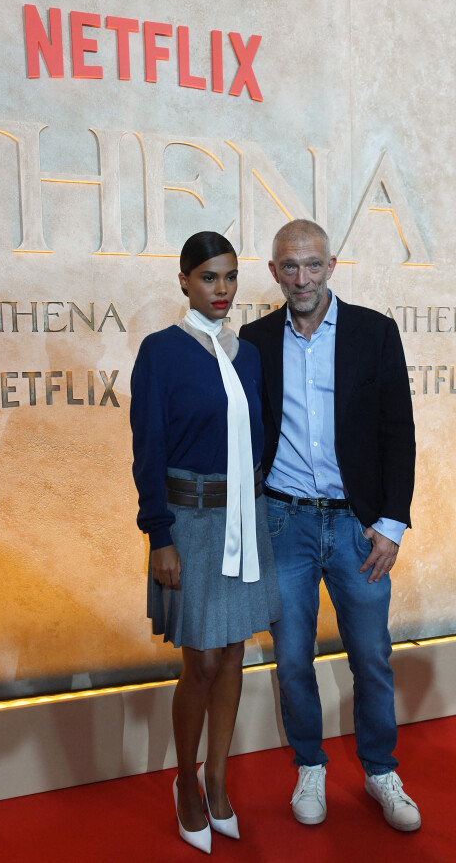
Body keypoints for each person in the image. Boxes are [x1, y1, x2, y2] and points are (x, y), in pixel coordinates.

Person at [239, 219, 421, 832]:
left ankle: (379, 770)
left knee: (371, 656)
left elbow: (399, 431)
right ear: (273, 273)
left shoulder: (375, 333)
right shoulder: (254, 339)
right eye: (288, 267)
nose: (301, 278)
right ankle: (310, 765)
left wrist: (391, 525)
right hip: (284, 522)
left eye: (312, 265)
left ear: (331, 265)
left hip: (358, 529)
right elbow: (246, 439)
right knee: (291, 660)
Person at [130, 231, 282, 854]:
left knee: (236, 654)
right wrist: (159, 535)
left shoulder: (247, 356)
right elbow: (147, 449)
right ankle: (186, 781)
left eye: (230, 278)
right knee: (202, 661)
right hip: (187, 527)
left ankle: (219, 779)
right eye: (209, 278)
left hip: (245, 517)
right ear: (185, 283)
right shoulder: (161, 352)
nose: (222, 290)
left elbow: (263, 437)